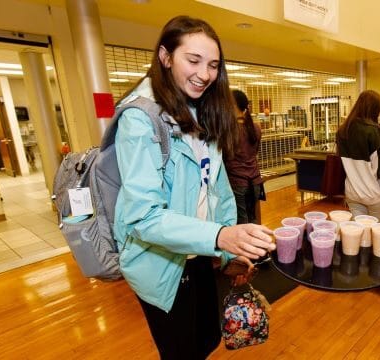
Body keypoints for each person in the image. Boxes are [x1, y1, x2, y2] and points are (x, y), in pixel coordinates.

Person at [113, 16, 276, 359]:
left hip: (199, 253)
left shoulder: (203, 112)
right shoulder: (140, 119)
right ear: (165, 56)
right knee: (181, 351)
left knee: (206, 340)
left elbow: (219, 191)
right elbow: (142, 216)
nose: (205, 73)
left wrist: (231, 250)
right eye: (194, 60)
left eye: (214, 65)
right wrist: (220, 237)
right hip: (161, 262)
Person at [336, 90, 380, 223]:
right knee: (378, 234)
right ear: (375, 108)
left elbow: (343, 165)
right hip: (373, 195)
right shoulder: (373, 131)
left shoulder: (342, 130)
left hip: (352, 193)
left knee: (360, 234)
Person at [224, 89, 264, 224]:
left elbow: (225, 158)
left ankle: (251, 245)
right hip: (255, 181)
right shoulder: (256, 128)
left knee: (242, 221)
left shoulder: (228, 131)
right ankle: (259, 244)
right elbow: (254, 152)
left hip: (237, 182)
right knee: (254, 218)